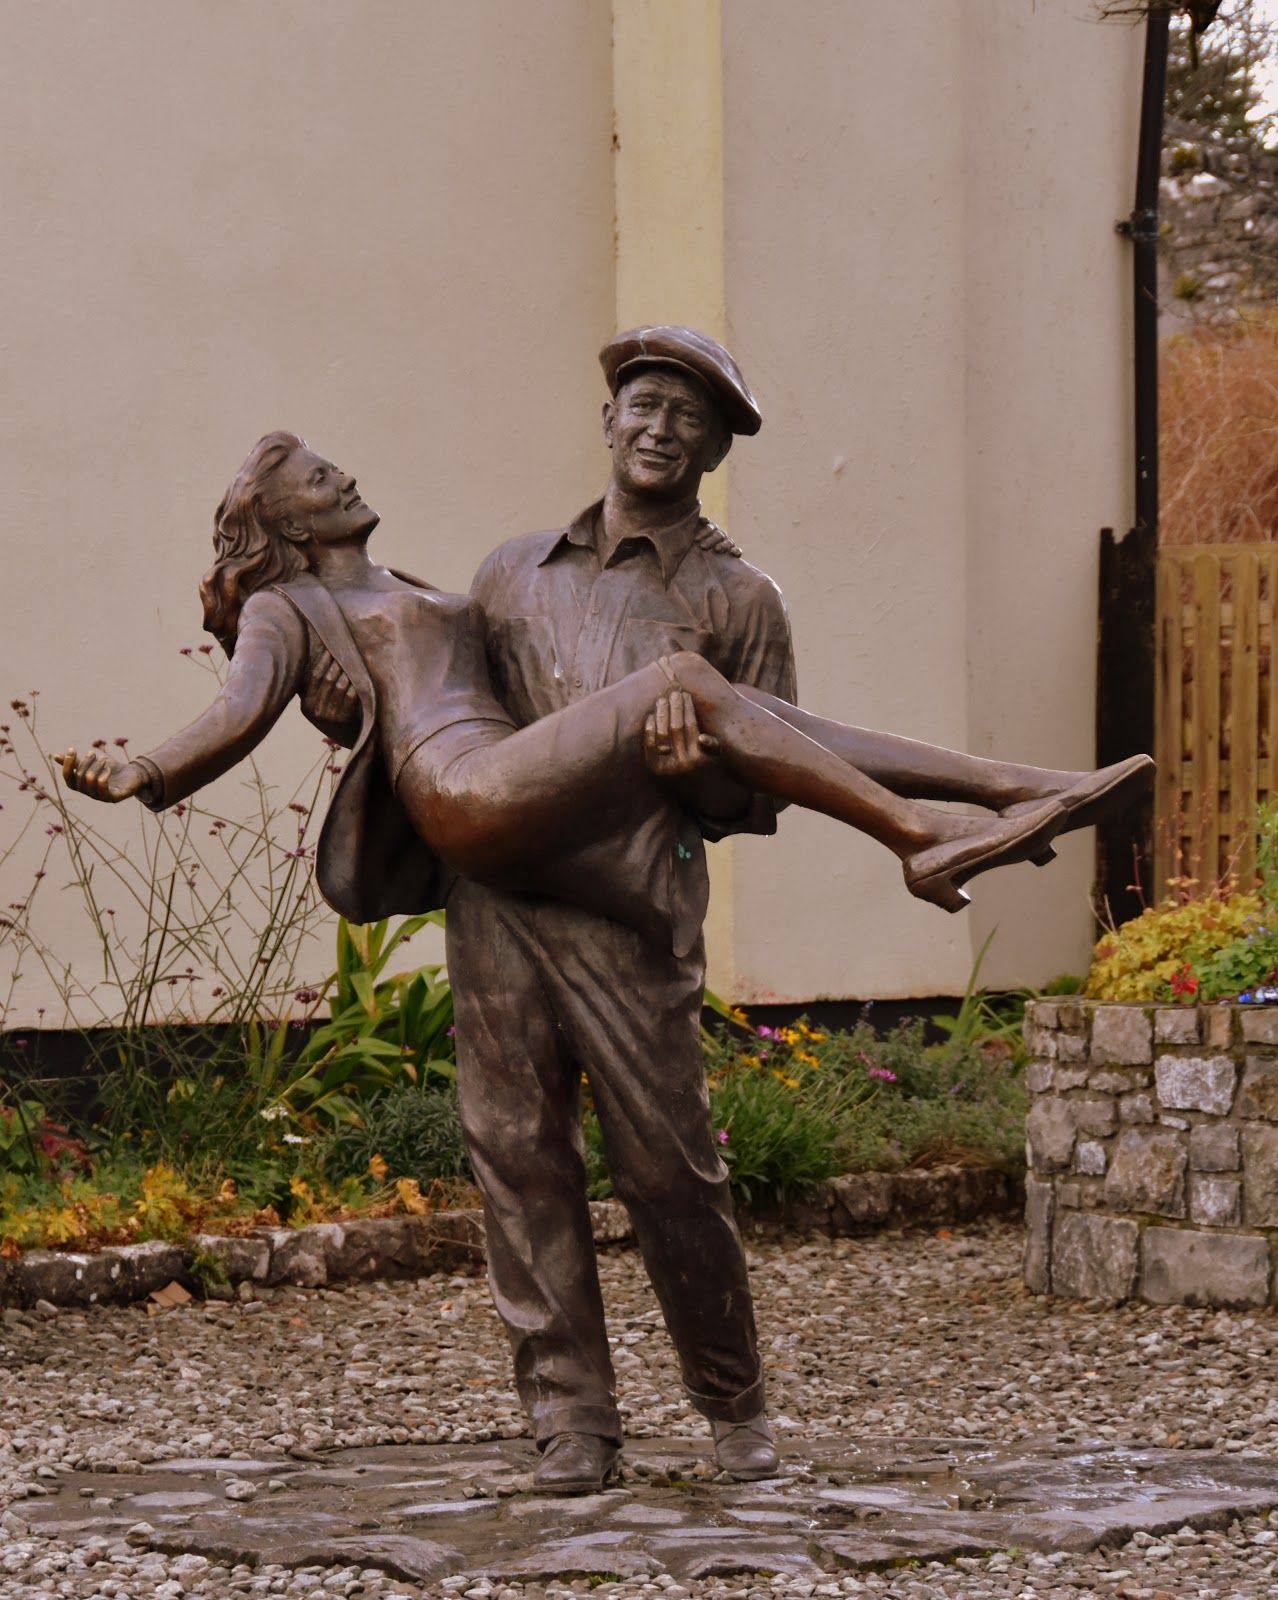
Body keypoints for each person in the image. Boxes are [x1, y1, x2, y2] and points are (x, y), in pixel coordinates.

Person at [60, 332, 1150, 1494]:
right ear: (609, 419)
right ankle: (570, 1422)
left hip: (624, 908)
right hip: (493, 883)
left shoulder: (735, 596)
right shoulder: (496, 572)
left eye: (689, 416)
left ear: (717, 447)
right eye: (644, 404)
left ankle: (734, 1404)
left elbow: (759, 784)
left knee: (673, 1171)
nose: (661, 428)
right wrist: (185, 759)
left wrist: (696, 771)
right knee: (519, 1162)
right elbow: (310, 704)